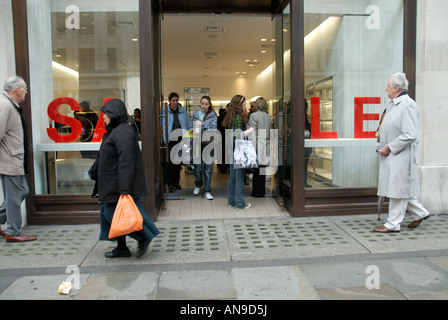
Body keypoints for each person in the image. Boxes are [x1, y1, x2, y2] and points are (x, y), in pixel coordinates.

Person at [97, 99, 159, 258]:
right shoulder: (116, 130)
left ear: (114, 114)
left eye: (106, 114)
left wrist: (124, 189)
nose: (103, 117)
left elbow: (126, 161)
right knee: (117, 216)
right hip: (113, 183)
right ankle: (122, 248)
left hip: (119, 185)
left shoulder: (122, 132)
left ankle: (144, 237)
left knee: (117, 216)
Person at [373, 73, 430, 233]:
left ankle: (393, 223)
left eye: (388, 86)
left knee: (397, 189)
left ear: (396, 88)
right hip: (393, 155)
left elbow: (410, 134)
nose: (386, 89)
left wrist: (389, 147)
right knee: (400, 188)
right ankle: (421, 213)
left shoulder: (407, 105)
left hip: (400, 155)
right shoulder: (394, 104)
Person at [0, 76, 36, 242]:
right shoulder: (5, 105)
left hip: (14, 159)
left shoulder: (10, 105)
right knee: (14, 197)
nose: (27, 92)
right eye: (25, 88)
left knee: (23, 191)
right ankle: (14, 232)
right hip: (9, 159)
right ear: (17, 89)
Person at [222, 95, 255, 210]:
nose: (245, 106)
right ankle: (240, 204)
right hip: (239, 149)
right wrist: (249, 131)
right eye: (244, 104)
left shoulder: (231, 116)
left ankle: (231, 201)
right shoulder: (238, 118)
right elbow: (238, 134)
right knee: (239, 177)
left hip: (232, 149)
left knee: (232, 176)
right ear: (239, 105)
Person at [161, 92, 191, 193]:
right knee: (170, 162)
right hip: (170, 139)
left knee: (178, 162)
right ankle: (169, 183)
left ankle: (176, 183)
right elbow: (161, 127)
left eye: (177, 100)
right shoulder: (164, 112)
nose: (175, 102)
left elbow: (187, 125)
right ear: (169, 101)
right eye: (173, 100)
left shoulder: (183, 112)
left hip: (181, 139)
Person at [191, 96, 218, 200]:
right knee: (197, 167)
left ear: (209, 105)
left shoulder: (213, 115)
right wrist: (193, 131)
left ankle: (207, 190)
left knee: (208, 169)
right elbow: (191, 127)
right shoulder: (195, 114)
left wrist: (201, 125)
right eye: (203, 103)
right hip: (197, 143)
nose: (204, 106)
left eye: (206, 104)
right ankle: (198, 183)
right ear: (200, 103)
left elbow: (214, 130)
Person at [248, 97, 271, 197]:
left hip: (257, 145)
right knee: (262, 170)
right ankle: (262, 191)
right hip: (265, 144)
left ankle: (256, 192)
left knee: (256, 170)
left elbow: (252, 133)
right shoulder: (267, 116)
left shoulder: (253, 115)